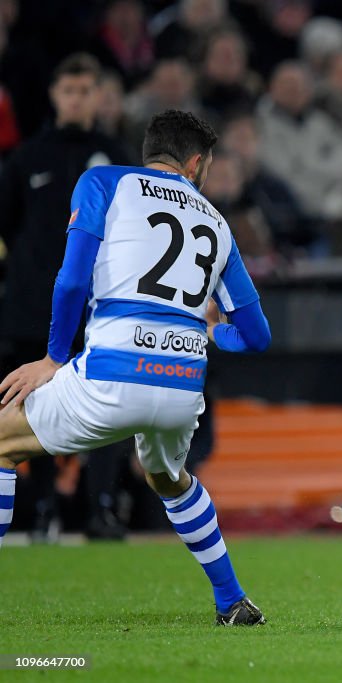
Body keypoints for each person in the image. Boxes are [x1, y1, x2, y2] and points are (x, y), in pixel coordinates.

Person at [0, 109, 271, 626]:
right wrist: (212, 330)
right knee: (169, 481)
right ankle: (231, 599)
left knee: (2, 441)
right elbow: (257, 336)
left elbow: (73, 280)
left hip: (113, 370)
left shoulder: (104, 182)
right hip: (182, 388)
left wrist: (55, 358)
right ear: (195, 164)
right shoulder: (217, 221)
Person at [0, 52, 132, 541]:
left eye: (86, 90)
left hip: (99, 309)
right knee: (27, 408)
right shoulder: (26, 159)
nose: (77, 99)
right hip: (33, 309)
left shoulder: (117, 158)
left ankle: (101, 508)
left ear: (99, 96)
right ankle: (38, 511)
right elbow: (7, 228)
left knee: (105, 409)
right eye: (69, 90)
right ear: (55, 96)